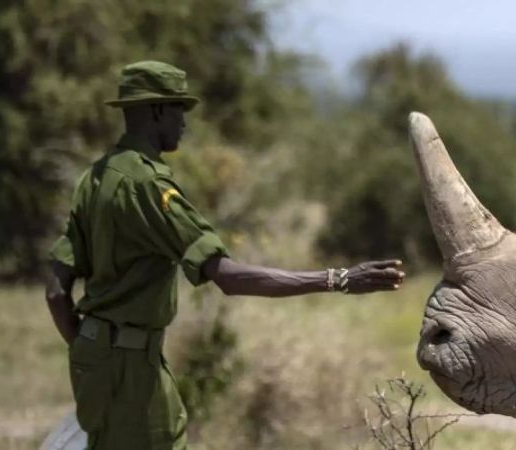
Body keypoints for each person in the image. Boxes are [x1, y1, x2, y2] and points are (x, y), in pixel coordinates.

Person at [44, 60, 406, 449]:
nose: (184, 122)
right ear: (156, 110)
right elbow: (228, 276)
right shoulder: (147, 185)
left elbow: (55, 289)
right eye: (179, 110)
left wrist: (89, 348)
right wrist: (339, 279)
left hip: (98, 360)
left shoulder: (93, 178)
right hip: (131, 368)